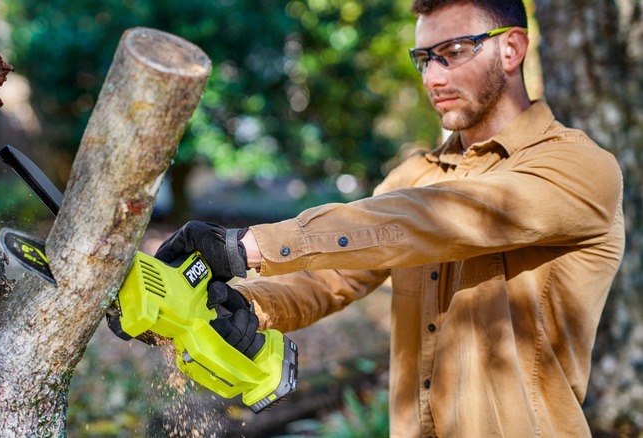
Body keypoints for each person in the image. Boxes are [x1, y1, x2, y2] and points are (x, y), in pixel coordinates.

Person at [153, 0, 625, 436]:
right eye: (424, 58)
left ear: (512, 48)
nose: (433, 78)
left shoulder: (580, 168)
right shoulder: (415, 174)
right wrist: (240, 307)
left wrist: (245, 246)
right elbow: (335, 274)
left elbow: (445, 216)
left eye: (453, 52)